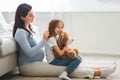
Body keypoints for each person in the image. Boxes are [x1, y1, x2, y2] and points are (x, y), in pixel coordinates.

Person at [45, 19, 117, 80]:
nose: (61, 29)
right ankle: (65, 73)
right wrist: (65, 49)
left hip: (57, 58)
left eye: (62, 27)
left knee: (78, 57)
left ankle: (99, 69)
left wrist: (67, 47)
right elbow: (60, 53)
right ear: (52, 27)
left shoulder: (56, 37)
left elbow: (61, 46)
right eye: (58, 27)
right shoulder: (51, 39)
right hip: (53, 61)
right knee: (77, 60)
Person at [13, 3, 49, 74]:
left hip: (35, 62)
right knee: (63, 70)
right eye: (30, 15)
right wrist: (43, 40)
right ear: (22, 17)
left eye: (33, 14)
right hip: (27, 65)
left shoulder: (30, 29)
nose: (33, 17)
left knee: (61, 64)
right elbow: (29, 53)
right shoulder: (20, 32)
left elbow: (37, 47)